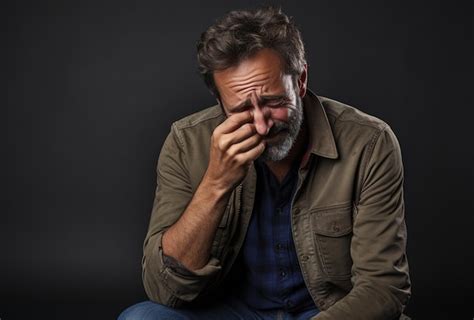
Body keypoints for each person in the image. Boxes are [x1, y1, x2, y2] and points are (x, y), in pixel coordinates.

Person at [119, 6, 411, 320]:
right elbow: (164, 290)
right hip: (229, 312)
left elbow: (383, 289)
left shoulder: (368, 141)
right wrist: (216, 184)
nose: (261, 125)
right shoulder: (185, 142)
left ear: (300, 81)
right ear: (220, 102)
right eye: (242, 109)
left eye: (273, 101)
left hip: (327, 313)